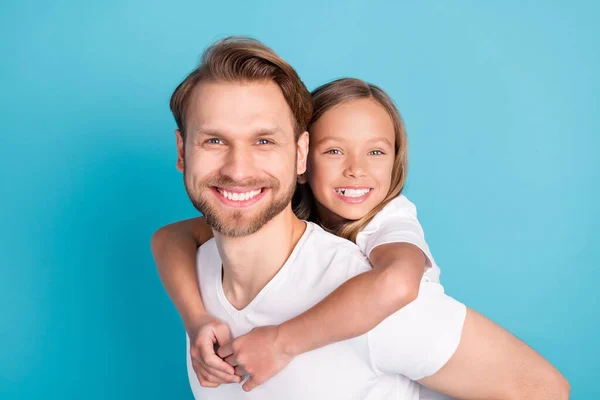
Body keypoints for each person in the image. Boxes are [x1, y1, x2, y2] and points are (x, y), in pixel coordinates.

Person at [153, 36, 569, 399]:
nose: (238, 169)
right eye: (214, 140)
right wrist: (196, 320)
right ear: (182, 151)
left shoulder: (369, 294)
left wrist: (282, 342)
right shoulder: (200, 268)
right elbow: (169, 238)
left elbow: (543, 389)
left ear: (298, 154)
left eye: (264, 140)